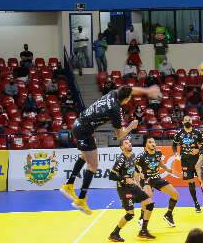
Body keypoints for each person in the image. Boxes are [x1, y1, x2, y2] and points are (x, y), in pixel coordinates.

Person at [59, 85, 161, 215]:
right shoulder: (115, 110)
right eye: (129, 98)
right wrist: (130, 126)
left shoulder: (113, 93)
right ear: (125, 99)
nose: (130, 99)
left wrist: (147, 91)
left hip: (78, 125)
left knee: (85, 157)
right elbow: (119, 136)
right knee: (93, 165)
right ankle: (81, 199)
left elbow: (130, 89)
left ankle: (69, 185)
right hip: (84, 131)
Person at [108, 138, 156, 241]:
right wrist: (124, 179)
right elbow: (111, 175)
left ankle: (143, 230)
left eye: (129, 142)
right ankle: (114, 233)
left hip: (133, 186)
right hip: (124, 188)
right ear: (122, 147)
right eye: (126, 143)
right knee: (130, 214)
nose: (129, 144)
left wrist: (139, 176)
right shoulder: (121, 159)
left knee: (150, 204)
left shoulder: (133, 155)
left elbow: (133, 169)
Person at [136, 136, 179, 227]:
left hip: (156, 178)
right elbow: (135, 169)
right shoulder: (141, 156)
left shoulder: (158, 153)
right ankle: (141, 217)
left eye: (154, 142)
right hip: (146, 179)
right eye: (150, 142)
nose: (153, 144)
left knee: (175, 194)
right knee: (148, 198)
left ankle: (168, 215)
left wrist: (167, 169)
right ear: (146, 145)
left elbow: (160, 163)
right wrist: (140, 175)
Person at [173, 116, 203, 212]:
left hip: (197, 160)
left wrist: (198, 150)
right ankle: (196, 203)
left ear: (192, 121)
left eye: (189, 120)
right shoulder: (179, 133)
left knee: (201, 180)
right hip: (185, 161)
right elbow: (174, 144)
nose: (187, 121)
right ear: (182, 122)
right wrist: (175, 153)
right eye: (185, 120)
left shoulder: (197, 132)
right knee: (190, 182)